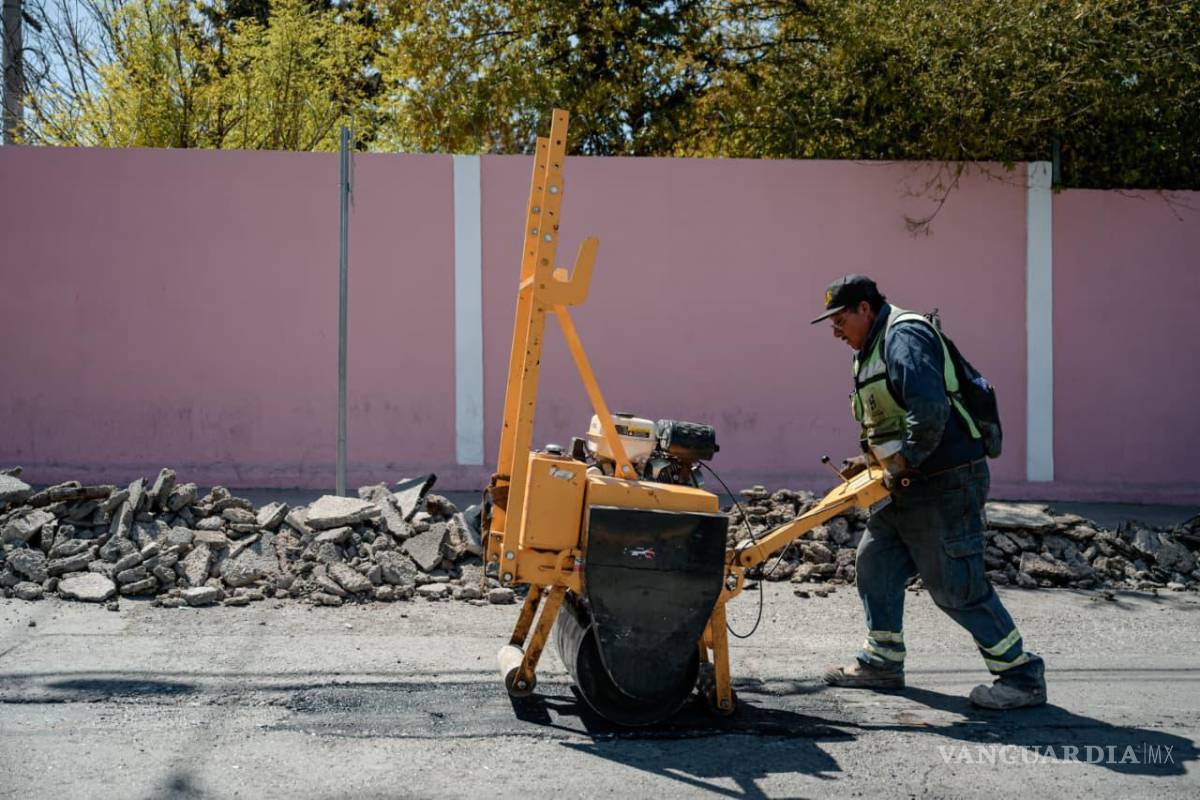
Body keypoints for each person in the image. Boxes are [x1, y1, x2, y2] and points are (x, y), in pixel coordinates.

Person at [811, 274, 1046, 710]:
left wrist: (902, 463)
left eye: (840, 319)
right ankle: (882, 662)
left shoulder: (905, 337)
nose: (835, 331)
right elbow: (891, 421)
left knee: (955, 586)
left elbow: (930, 409)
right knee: (874, 564)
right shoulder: (869, 351)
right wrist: (871, 463)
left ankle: (1021, 675)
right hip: (904, 483)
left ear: (865, 308)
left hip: (945, 481)